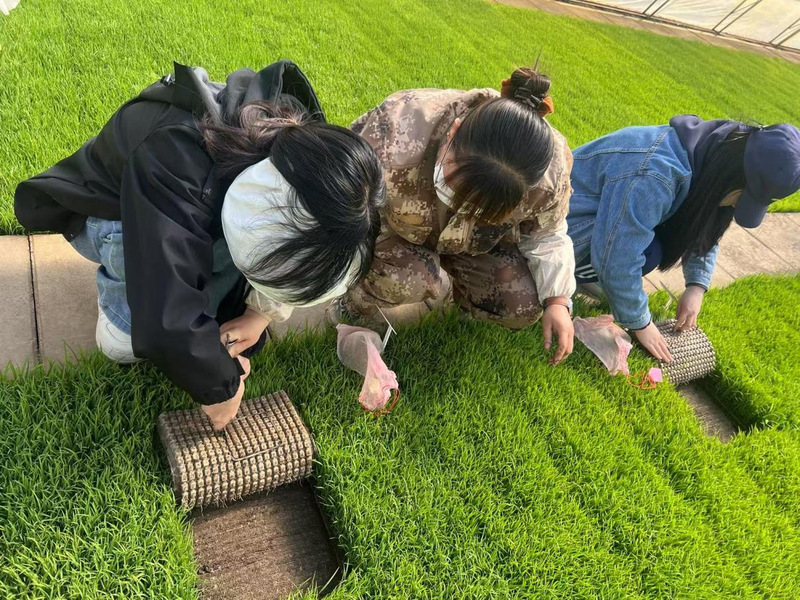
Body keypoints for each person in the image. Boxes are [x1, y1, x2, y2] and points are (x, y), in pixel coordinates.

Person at [15, 61, 385, 429]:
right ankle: (116, 298)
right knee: (122, 344)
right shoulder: (174, 157)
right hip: (110, 209)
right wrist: (219, 387)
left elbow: (306, 252)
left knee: (216, 318)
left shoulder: (318, 168)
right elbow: (166, 315)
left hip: (193, 203)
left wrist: (259, 315)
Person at [343, 67, 576, 364]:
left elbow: (548, 233)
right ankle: (354, 304)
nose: (463, 206)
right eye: (458, 186)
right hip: (394, 230)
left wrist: (558, 300)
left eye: (482, 207)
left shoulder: (549, 178)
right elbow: (342, 197)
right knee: (412, 277)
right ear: (453, 132)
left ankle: (460, 302)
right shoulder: (396, 130)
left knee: (521, 305)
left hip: (473, 245)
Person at [567, 115, 800, 361]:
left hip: (592, 220)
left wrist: (696, 287)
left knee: (649, 251)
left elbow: (704, 223)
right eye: (741, 197)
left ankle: (596, 281)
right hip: (557, 228)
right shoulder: (657, 175)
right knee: (641, 254)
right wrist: (641, 323)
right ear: (732, 173)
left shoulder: (709, 151)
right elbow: (617, 258)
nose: (734, 206)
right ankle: (564, 278)